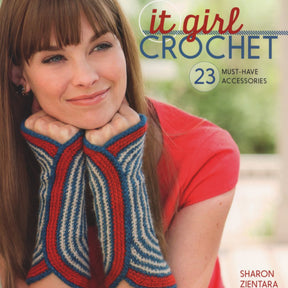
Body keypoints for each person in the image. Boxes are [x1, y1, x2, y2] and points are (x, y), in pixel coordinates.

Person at [0, 0, 240, 287]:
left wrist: (121, 179)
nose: (87, 77)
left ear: (123, 47)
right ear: (19, 74)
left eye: (100, 46)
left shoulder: (204, 153)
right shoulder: (6, 163)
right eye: (54, 58)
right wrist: (61, 177)